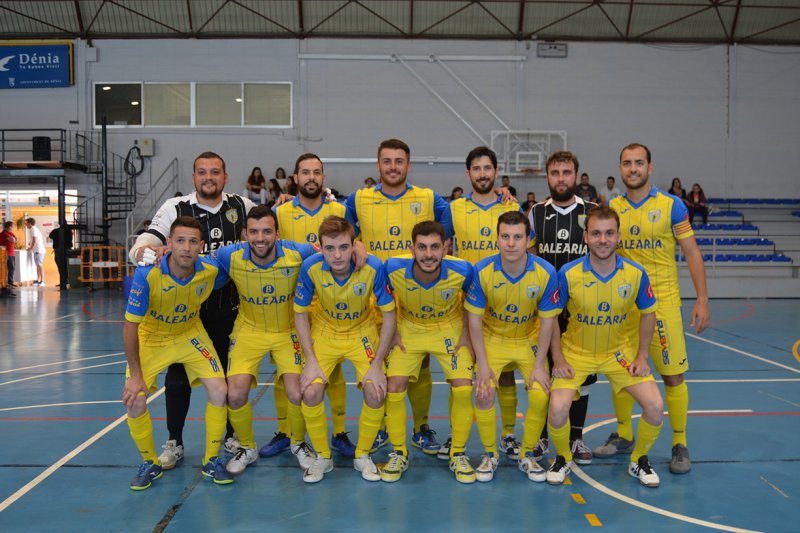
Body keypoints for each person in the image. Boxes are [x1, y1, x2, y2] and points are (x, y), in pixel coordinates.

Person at [129, 151, 256, 470]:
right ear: (194, 177)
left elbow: (267, 230)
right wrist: (142, 252)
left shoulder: (242, 205)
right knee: (177, 382)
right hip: (188, 315)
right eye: (202, 172)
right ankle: (175, 441)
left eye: (215, 172)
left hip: (230, 310)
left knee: (226, 380)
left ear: (225, 177)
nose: (208, 177)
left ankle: (230, 435)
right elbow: (147, 240)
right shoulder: (175, 207)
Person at [600, 143, 710, 475]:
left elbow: (692, 253)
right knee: (620, 372)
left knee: (672, 375)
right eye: (627, 163)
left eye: (639, 163)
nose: (632, 169)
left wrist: (702, 299)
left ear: (650, 167)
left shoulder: (672, 205)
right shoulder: (612, 207)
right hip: (624, 308)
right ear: (620, 168)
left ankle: (679, 442)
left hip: (662, 306)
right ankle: (624, 434)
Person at [540, 205, 664, 487]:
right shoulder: (568, 273)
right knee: (557, 410)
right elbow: (551, 316)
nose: (603, 239)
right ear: (586, 237)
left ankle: (639, 460)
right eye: (596, 233)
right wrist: (558, 358)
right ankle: (562, 457)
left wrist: (642, 356)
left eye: (609, 233)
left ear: (619, 236)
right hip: (576, 352)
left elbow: (649, 313)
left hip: (618, 353)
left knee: (655, 407)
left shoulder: (635, 273)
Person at [345, 138, 454, 455]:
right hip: (374, 301)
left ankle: (421, 427)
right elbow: (341, 231)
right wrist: (355, 241)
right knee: (377, 364)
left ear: (409, 164)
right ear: (378, 165)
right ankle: (380, 427)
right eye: (387, 161)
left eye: (399, 161)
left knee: (420, 363)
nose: (393, 167)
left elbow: (449, 229)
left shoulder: (430, 198)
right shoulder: (359, 199)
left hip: (416, 299)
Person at [123, 216, 233, 490]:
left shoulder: (210, 269)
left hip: (189, 333)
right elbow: (130, 326)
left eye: (193, 241)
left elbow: (244, 256)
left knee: (220, 390)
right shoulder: (147, 274)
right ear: (169, 244)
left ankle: (211, 460)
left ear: (201, 246)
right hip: (152, 337)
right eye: (180, 241)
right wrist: (135, 376)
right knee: (135, 399)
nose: (186, 247)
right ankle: (149, 462)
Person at [213, 206, 318, 475]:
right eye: (254, 232)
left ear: (277, 234)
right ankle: (247, 447)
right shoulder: (228, 255)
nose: (260, 238)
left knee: (298, 393)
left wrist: (358, 248)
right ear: (245, 234)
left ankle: (298, 443)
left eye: (267, 231)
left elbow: (332, 251)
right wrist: (163, 253)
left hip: (287, 331)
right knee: (234, 394)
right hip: (249, 330)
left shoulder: (299, 253)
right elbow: (193, 263)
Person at [294, 215, 397, 483]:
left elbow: (389, 315)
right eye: (330, 248)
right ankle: (322, 457)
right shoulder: (310, 267)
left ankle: (362, 455)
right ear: (320, 248)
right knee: (310, 390)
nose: (337, 255)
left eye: (343, 247)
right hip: (325, 331)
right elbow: (300, 313)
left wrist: (377, 364)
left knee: (376, 390)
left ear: (354, 245)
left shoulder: (373, 266)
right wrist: (310, 360)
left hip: (361, 331)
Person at [271, 153, 360, 460]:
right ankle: (285, 432)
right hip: (290, 304)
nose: (311, 177)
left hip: (329, 305)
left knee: (333, 372)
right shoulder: (280, 212)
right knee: (285, 370)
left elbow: (355, 245)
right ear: (295, 178)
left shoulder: (340, 210)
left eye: (317, 172)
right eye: (305, 172)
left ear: (324, 177)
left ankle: (339, 432)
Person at [465, 211, 560, 482]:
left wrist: (540, 365)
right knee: (484, 391)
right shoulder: (482, 270)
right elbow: (474, 321)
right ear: (496, 239)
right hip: (493, 338)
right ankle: (489, 454)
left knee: (541, 394)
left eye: (517, 237)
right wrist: (483, 364)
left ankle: (527, 455)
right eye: (505, 236)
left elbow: (548, 322)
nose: (510, 243)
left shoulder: (545, 272)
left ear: (528, 240)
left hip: (528, 339)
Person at [382, 221, 476, 483]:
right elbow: (379, 295)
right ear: (412, 248)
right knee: (394, 385)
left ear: (446, 248)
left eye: (435, 247)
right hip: (409, 328)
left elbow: (473, 301)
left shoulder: (463, 270)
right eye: (422, 247)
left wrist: (467, 333)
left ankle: (458, 452)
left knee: (463, 387)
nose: (428, 254)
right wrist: (392, 331)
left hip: (449, 328)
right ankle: (398, 452)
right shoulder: (392, 267)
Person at [449, 146, 526, 462]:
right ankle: (457, 435)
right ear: (468, 173)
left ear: (496, 171)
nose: (482, 174)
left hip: (505, 305)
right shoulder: (453, 208)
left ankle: (507, 434)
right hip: (465, 304)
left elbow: (527, 252)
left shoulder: (512, 206)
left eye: (487, 168)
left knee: (504, 374)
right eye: (476, 169)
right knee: (460, 374)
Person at [527, 151, 598, 465]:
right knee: (545, 373)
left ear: (577, 175)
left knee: (583, 377)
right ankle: (543, 435)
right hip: (545, 311)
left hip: (583, 310)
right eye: (555, 173)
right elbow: (529, 258)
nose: (560, 178)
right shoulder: (536, 213)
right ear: (547, 176)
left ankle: (576, 437)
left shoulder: (592, 212)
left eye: (566, 172)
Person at [49, 223, 72, 291]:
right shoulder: (68, 231)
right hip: (67, 250)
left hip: (58, 250)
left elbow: (50, 236)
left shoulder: (55, 231)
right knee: (66, 265)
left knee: (60, 265)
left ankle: (63, 281)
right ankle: (66, 280)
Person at [25, 217, 45, 286]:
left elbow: (35, 241)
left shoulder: (33, 229)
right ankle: (38, 280)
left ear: (30, 223)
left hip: (39, 250)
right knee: (38, 265)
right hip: (37, 250)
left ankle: (42, 281)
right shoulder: (33, 229)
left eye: (26, 223)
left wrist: (31, 248)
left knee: (39, 265)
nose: (26, 224)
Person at [0, 221, 17, 297]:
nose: (13, 228)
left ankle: (9, 282)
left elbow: (16, 240)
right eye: (12, 226)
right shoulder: (4, 233)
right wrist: (14, 239)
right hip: (6, 254)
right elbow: (13, 240)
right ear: (9, 226)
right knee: (9, 268)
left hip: (12, 253)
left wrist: (14, 239)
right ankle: (8, 283)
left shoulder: (10, 233)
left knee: (11, 268)